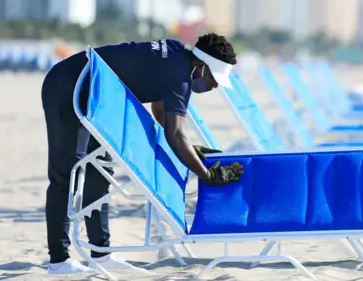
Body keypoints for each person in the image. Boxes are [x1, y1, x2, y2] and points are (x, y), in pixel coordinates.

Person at [41, 32, 245, 275]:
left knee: (100, 172)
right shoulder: (178, 75)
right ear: (201, 66)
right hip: (67, 87)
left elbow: (162, 111)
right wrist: (206, 174)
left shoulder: (178, 57)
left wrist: (191, 150)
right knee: (66, 175)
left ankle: (101, 253)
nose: (214, 86)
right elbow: (176, 135)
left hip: (96, 97)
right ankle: (59, 261)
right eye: (215, 79)